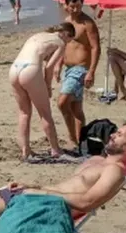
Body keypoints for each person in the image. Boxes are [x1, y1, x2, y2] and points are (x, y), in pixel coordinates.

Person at [8, 23, 76, 160]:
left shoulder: (38, 35)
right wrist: (47, 86)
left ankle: (25, 150)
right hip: (30, 70)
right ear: (64, 33)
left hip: (14, 68)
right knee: (45, 113)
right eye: (69, 38)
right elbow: (49, 68)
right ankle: (56, 150)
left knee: (24, 113)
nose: (68, 42)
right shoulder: (60, 43)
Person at [58, 0, 99, 148]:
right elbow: (64, 46)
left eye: (79, 6)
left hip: (80, 70)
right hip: (68, 69)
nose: (76, 9)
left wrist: (91, 72)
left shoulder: (87, 23)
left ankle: (72, 139)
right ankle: (82, 142)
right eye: (73, 6)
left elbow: (96, 48)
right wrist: (57, 65)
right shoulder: (67, 23)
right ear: (66, 6)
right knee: (76, 108)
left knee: (62, 103)